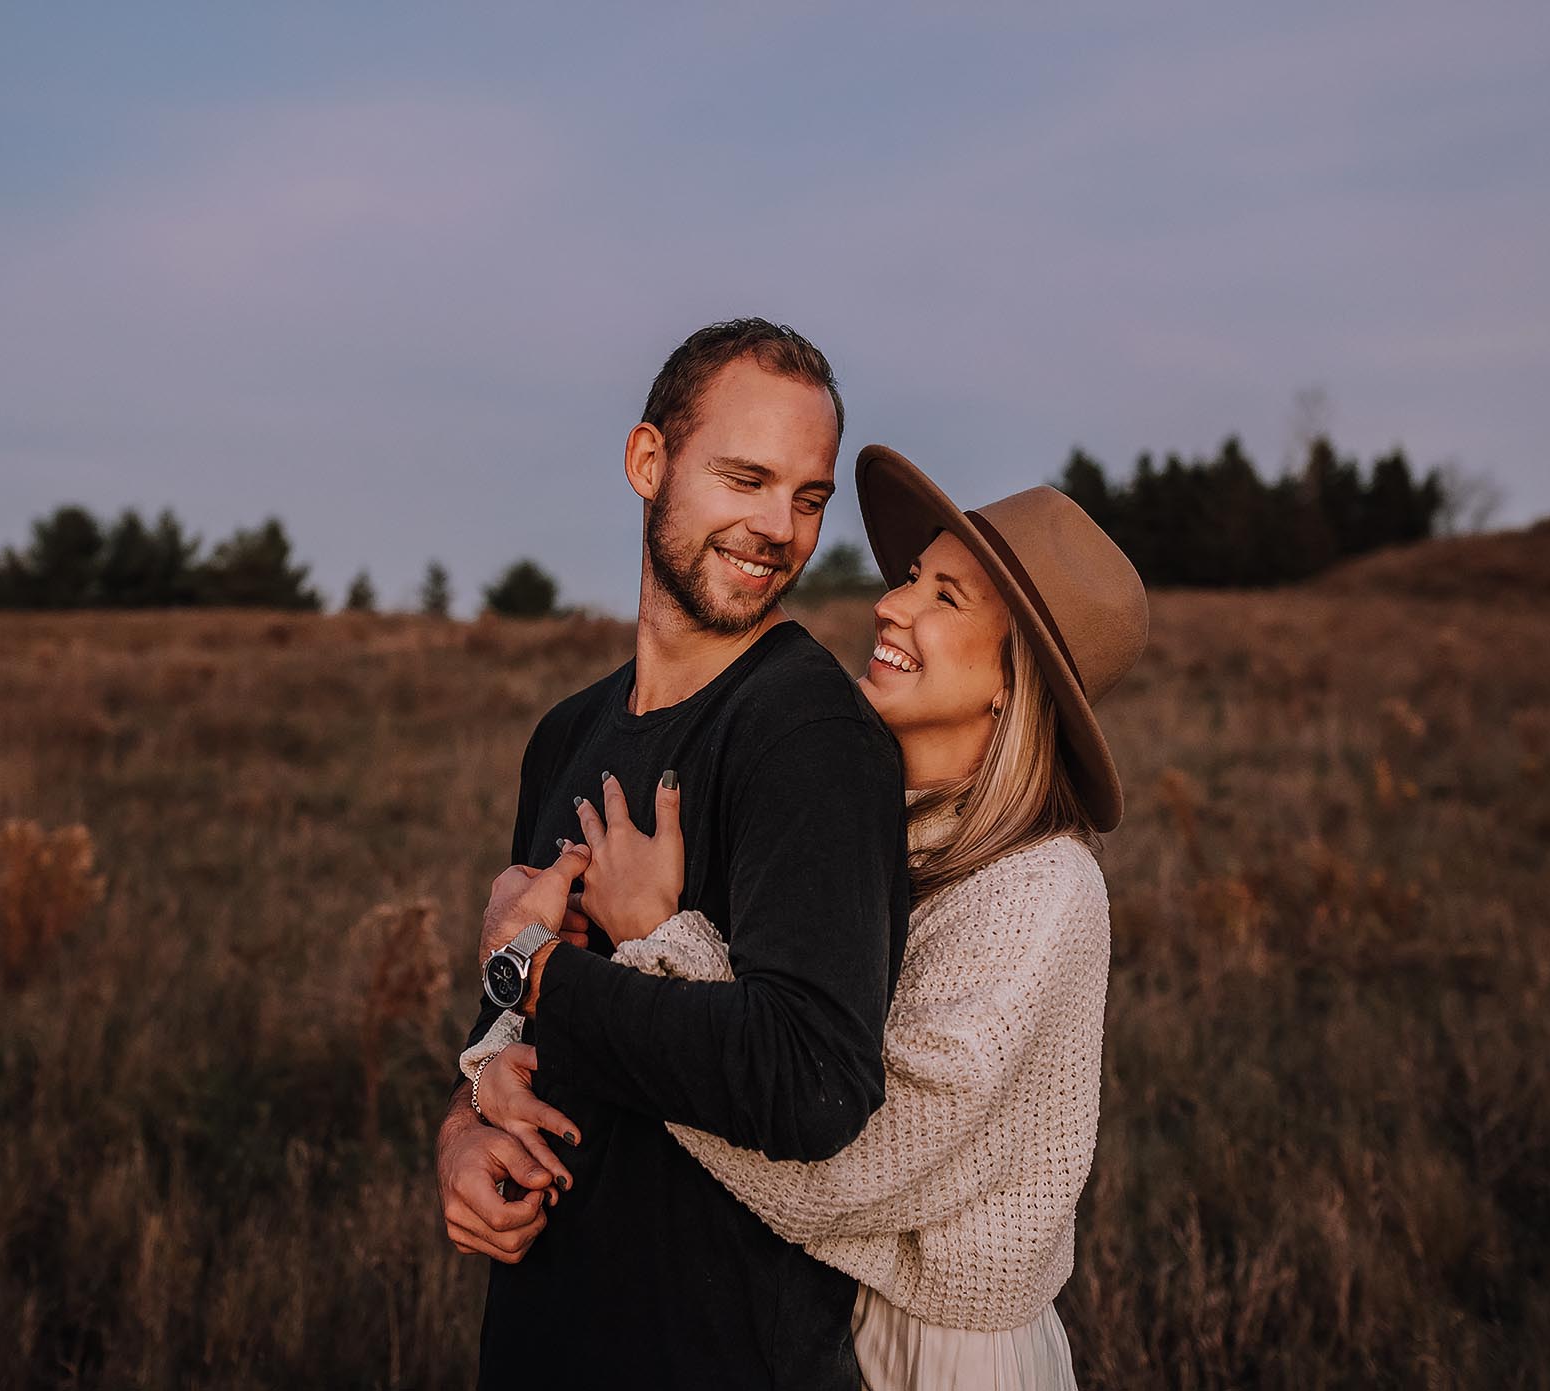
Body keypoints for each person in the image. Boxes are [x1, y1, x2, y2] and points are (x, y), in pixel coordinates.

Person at [471, 446, 1149, 1389]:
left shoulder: (1041, 889)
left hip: (941, 1356)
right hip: (809, 1321)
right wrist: (490, 1083)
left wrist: (649, 941)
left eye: (945, 598)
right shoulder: (859, 820)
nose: (890, 604)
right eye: (911, 576)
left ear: (1013, 679)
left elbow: (847, 1149)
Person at [434, 319, 913, 1388]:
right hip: (539, 1341)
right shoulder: (568, 732)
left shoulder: (809, 738)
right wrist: (461, 1129)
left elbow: (813, 1080)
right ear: (647, 461)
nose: (776, 528)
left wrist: (540, 967)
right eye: (744, 478)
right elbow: (510, 1015)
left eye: (806, 495)